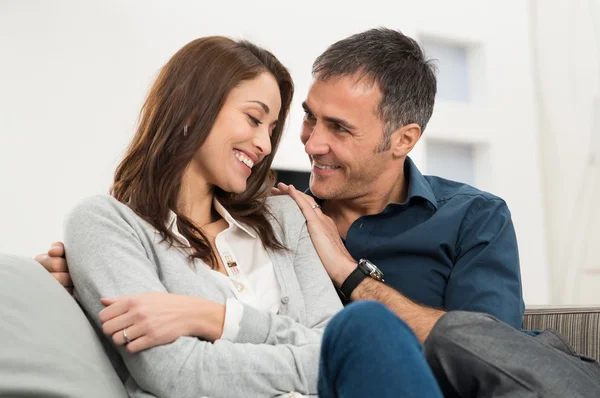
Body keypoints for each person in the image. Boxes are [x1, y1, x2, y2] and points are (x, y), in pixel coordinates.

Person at [39, 29, 600, 397]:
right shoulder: (281, 202)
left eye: (339, 128)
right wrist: (79, 282)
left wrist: (346, 277)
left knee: (372, 327)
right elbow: (178, 364)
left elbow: (488, 359)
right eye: (306, 120)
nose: (306, 144)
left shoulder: (471, 218)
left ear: (403, 139)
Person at [48, 36, 345, 398]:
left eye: (271, 129)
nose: (265, 145)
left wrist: (219, 320)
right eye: (254, 119)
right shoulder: (105, 224)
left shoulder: (285, 218)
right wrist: (310, 363)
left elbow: (342, 355)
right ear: (191, 110)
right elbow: (174, 372)